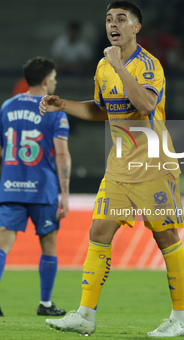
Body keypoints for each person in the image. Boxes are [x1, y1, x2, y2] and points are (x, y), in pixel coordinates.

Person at [39, 1, 184, 337]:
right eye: (109, 19)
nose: (113, 24)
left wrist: (121, 67)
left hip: (153, 165)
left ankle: (180, 318)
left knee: (165, 235)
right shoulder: (103, 66)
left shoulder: (148, 66)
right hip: (120, 167)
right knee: (99, 232)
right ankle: (85, 314)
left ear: (136, 27)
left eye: (122, 19)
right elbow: (102, 111)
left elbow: (147, 104)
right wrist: (62, 104)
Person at [0, 57, 71, 317]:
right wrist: (64, 193)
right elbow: (62, 155)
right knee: (48, 242)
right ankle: (46, 303)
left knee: (2, 243)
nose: (54, 82)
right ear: (44, 80)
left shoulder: (7, 107)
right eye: (53, 78)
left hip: (11, 186)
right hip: (43, 189)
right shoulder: (54, 111)